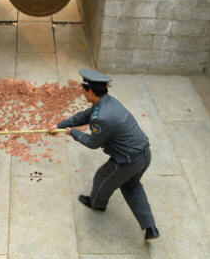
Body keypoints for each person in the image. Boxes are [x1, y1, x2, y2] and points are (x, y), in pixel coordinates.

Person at [49, 68, 159, 240]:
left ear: (91, 91)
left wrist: (71, 133)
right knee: (132, 186)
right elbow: (85, 116)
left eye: (83, 90)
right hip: (144, 154)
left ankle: (97, 204)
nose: (82, 93)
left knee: (102, 178)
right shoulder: (107, 102)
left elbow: (93, 142)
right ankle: (150, 227)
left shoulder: (103, 118)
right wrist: (61, 125)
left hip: (127, 161)